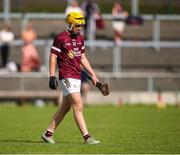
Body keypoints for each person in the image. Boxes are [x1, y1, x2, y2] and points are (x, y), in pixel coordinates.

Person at [41, 12, 100, 144]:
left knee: (65, 108)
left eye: (81, 26)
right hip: (66, 75)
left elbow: (83, 58)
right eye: (78, 25)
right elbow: (53, 57)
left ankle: (48, 133)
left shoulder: (80, 38)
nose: (80, 28)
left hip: (77, 76)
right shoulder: (61, 38)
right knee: (78, 105)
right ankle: (87, 137)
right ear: (71, 24)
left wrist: (93, 74)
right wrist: (51, 76)